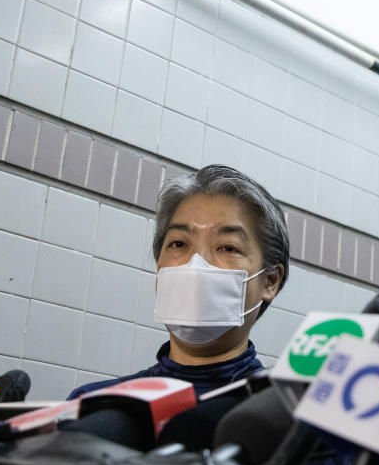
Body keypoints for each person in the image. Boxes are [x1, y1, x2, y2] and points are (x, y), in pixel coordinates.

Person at [69, 164, 289, 399]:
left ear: (270, 281)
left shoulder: (287, 419)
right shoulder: (93, 406)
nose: (196, 264)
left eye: (227, 247)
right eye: (179, 244)